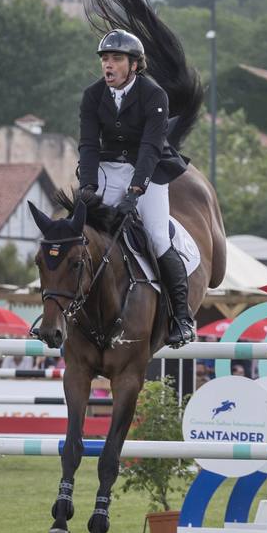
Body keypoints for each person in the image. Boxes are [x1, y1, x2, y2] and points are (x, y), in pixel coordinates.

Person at [76, 29, 194, 347]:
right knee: (81, 233)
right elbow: (88, 144)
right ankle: (68, 314)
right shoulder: (92, 95)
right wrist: (87, 186)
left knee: (156, 236)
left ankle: (182, 318)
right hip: (108, 168)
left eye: (116, 59)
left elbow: (150, 148)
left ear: (134, 64)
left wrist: (135, 191)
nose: (108, 66)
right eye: (105, 59)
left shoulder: (153, 95)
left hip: (149, 171)